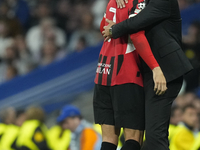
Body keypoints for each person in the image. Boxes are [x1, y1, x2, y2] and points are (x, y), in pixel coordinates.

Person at [102, 0, 193, 149]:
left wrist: (114, 29)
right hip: (145, 71)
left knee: (154, 136)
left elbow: (138, 20)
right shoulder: (142, 0)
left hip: (164, 71)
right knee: (146, 136)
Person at [93, 0, 168, 150]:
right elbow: (136, 35)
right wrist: (156, 68)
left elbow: (103, 28)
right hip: (126, 74)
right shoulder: (138, 2)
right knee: (133, 139)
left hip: (103, 73)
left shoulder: (113, 2)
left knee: (108, 140)